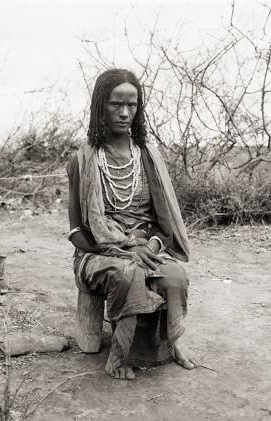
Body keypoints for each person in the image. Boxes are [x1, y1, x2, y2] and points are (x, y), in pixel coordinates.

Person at [67, 68, 197, 380]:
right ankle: (120, 354)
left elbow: (161, 225)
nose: (125, 113)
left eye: (133, 105)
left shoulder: (148, 155)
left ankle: (173, 342)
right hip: (96, 253)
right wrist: (123, 252)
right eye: (115, 104)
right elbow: (76, 233)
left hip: (144, 247)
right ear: (100, 107)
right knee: (129, 274)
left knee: (175, 274)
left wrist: (150, 246)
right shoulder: (83, 159)